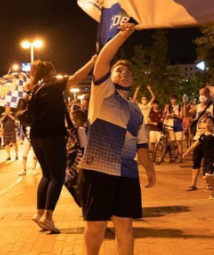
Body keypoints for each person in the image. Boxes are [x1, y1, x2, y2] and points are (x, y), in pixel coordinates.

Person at [79, 23, 155, 255]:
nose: (124, 73)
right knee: (97, 226)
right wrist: (123, 35)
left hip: (127, 173)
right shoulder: (103, 93)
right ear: (109, 77)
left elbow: (141, 146)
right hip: (98, 170)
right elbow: (102, 60)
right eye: (119, 71)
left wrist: (149, 168)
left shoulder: (137, 111)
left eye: (128, 72)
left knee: (125, 225)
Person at [27, 55, 97, 234]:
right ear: (49, 72)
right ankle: (48, 217)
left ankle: (39, 212)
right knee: (57, 177)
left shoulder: (36, 89)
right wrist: (91, 61)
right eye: (53, 69)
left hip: (36, 137)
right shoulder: (54, 85)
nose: (56, 72)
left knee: (46, 175)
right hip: (53, 136)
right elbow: (76, 78)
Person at [187, 87, 214, 191]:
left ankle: (209, 182)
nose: (201, 96)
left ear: (208, 94)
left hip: (210, 137)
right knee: (196, 160)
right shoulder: (197, 106)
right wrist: (185, 105)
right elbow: (186, 115)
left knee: (208, 160)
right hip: (198, 136)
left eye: (203, 94)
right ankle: (193, 183)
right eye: (200, 94)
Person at [182, 113, 214, 199]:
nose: (207, 124)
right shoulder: (203, 136)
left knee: (209, 176)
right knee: (206, 177)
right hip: (206, 160)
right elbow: (195, 144)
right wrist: (187, 152)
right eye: (205, 122)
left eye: (210, 122)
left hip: (212, 160)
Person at [163, 95, 184, 163]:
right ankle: (173, 157)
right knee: (172, 142)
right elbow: (165, 117)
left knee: (179, 142)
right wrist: (167, 114)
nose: (172, 101)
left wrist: (175, 115)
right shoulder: (168, 107)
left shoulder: (180, 107)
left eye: (174, 99)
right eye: (171, 99)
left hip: (178, 126)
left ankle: (180, 157)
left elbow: (181, 117)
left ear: (176, 100)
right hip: (170, 126)